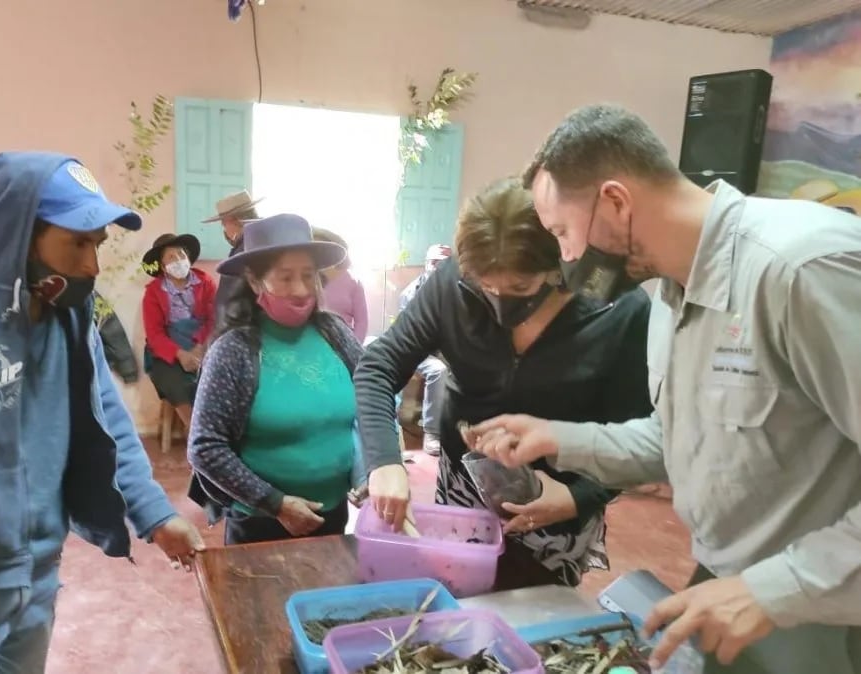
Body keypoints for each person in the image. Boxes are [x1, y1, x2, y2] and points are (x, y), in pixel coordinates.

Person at [471, 104, 861, 673]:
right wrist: (558, 438)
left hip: (819, 609)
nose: (567, 259)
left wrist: (775, 590)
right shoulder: (669, 298)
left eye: (561, 232)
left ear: (615, 201)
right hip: (725, 588)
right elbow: (679, 441)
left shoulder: (800, 268)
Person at [0, 153, 205, 674]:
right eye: (76, 242)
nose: (91, 266)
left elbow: (109, 422)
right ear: (18, 233)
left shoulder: (71, 320)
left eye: (97, 244)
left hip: (37, 578)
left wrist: (155, 513)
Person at [354, 177, 652, 586]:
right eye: (485, 286)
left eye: (519, 288)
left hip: (561, 494)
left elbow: (636, 433)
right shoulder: (452, 284)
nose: (498, 300)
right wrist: (384, 461)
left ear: (560, 265)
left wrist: (576, 497)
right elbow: (378, 365)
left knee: (536, 612)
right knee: (458, 591)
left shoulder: (618, 308)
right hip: (466, 488)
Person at [187, 213, 365, 545]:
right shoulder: (234, 351)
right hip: (261, 525)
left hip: (335, 517)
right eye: (284, 278)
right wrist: (277, 504)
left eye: (308, 275)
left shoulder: (334, 332)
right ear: (255, 282)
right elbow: (205, 447)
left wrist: (371, 468)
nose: (300, 289)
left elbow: (372, 398)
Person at [141, 232, 217, 430]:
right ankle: (197, 434)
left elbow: (214, 319)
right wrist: (181, 354)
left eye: (181, 254)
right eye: (171, 257)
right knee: (173, 381)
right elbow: (154, 334)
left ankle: (220, 431)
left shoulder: (205, 282)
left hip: (202, 345)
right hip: (168, 350)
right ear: (162, 265)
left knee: (217, 376)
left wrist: (200, 348)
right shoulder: (153, 292)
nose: (178, 260)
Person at [397, 243, 453, 456]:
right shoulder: (411, 293)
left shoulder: (455, 291)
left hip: (443, 349)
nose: (438, 267)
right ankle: (432, 432)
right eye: (434, 262)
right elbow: (411, 337)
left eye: (444, 263)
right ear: (426, 264)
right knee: (438, 370)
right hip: (417, 351)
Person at [202, 189, 262, 327]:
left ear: (235, 221)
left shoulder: (244, 251)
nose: (224, 230)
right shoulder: (262, 240)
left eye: (224, 224)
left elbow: (231, 297)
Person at [311, 227, 369, 342]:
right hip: (314, 343)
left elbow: (362, 322)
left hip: (345, 343)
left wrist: (354, 347)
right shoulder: (307, 276)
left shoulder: (353, 281)